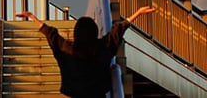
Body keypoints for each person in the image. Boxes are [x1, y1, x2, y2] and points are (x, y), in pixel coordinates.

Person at [16, 6, 155, 98]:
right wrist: (138, 13)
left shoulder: (67, 49)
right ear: (94, 32)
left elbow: (52, 35)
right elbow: (117, 31)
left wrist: (33, 17)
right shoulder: (102, 48)